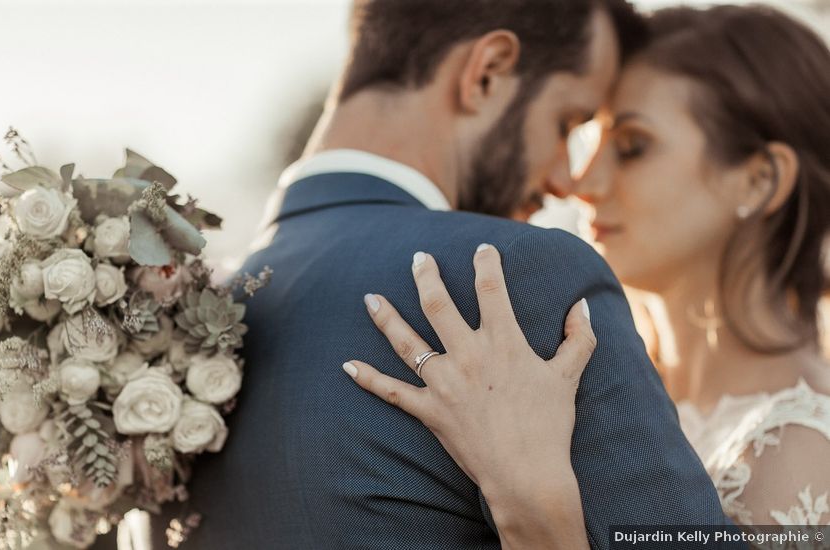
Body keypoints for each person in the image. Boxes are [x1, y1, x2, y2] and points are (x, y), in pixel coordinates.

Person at [151, 1, 735, 548]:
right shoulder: (512, 282)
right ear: (487, 71)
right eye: (567, 123)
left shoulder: (169, 340)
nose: (565, 180)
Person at [346, 3, 830, 537]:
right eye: (585, 139)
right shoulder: (561, 382)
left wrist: (533, 509)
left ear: (758, 180)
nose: (581, 183)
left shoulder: (804, 454)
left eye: (631, 147)